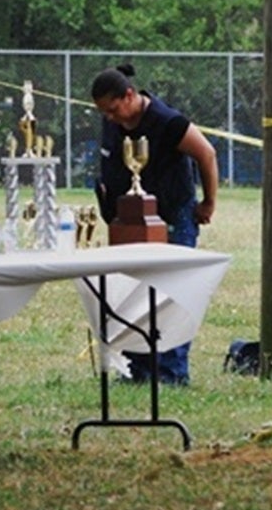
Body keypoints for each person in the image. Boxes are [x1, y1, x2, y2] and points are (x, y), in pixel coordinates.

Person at [91, 64, 220, 386]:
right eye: (104, 112)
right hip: (129, 221)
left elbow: (207, 154)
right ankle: (138, 370)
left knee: (172, 295)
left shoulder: (167, 121)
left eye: (113, 108)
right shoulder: (114, 123)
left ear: (130, 95)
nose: (109, 117)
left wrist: (207, 203)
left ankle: (171, 373)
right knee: (133, 294)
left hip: (173, 218)